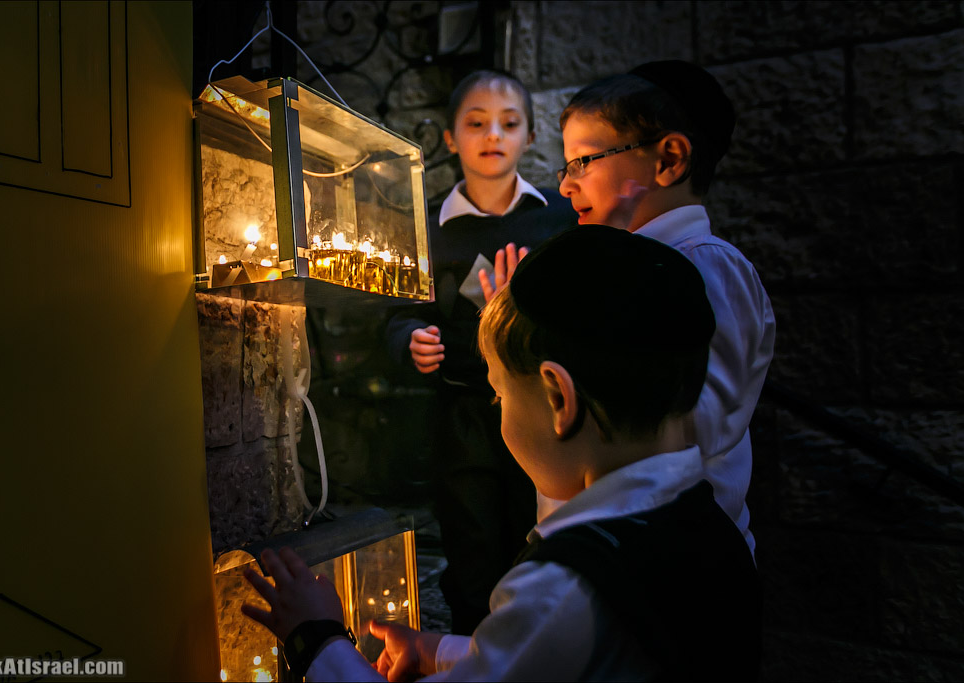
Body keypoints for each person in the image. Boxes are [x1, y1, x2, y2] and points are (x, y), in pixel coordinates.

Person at [242, 225, 761, 681]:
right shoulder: (707, 525)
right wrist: (438, 651)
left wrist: (319, 638)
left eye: (499, 394)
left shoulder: (568, 582)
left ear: (558, 400)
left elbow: (552, 624)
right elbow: (554, 654)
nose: (499, 409)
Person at [553, 60, 776, 554]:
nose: (566, 185)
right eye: (565, 167)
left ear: (669, 159)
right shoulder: (625, 265)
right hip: (617, 546)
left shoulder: (707, 266)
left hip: (680, 557)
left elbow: (694, 426)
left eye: (583, 161)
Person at [385, 69, 576, 633]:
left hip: (544, 411)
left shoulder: (558, 219)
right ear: (450, 137)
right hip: (463, 411)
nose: (493, 135)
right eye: (476, 123)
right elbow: (400, 311)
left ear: (531, 137)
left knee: (537, 536)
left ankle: (536, 648)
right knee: (471, 544)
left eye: (509, 123)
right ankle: (471, 649)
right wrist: (409, 339)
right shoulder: (428, 228)